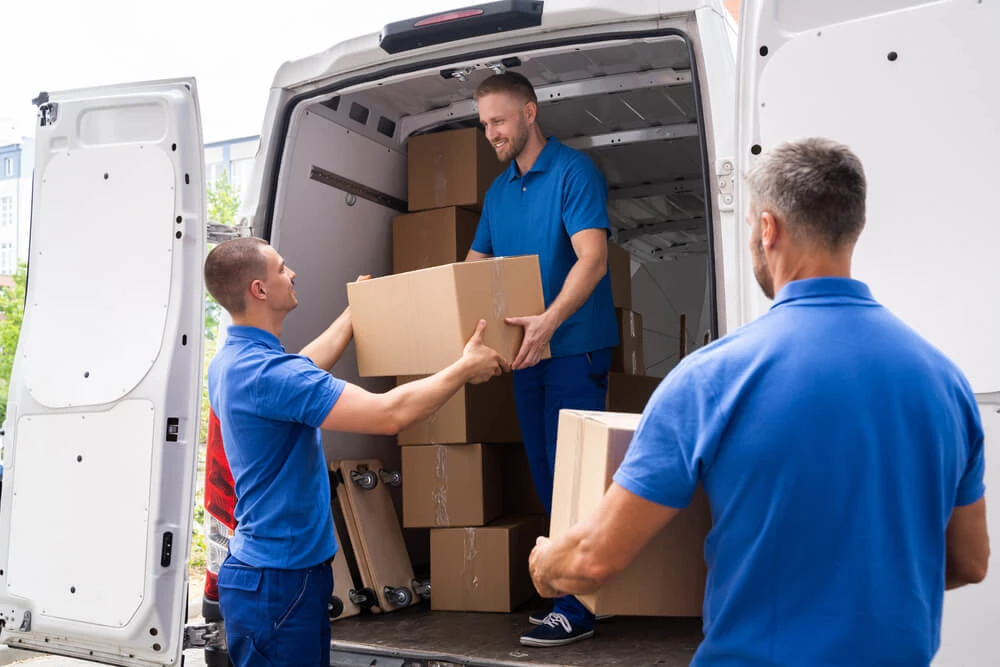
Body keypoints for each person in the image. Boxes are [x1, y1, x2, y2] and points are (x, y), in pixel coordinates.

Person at [527, 137, 990, 665]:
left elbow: (594, 559)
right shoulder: (945, 383)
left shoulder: (712, 379)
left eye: (750, 225)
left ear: (768, 229)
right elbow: (970, 562)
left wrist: (545, 565)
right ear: (852, 227)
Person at [204, 237, 509, 667]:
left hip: (273, 576)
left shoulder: (235, 361)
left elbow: (303, 369)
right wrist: (464, 368)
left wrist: (353, 313)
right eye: (282, 268)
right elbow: (389, 414)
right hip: (279, 582)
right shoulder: (269, 374)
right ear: (259, 289)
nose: (292, 274)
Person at [465, 70, 620, 647]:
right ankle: (575, 594)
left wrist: (548, 322)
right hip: (526, 355)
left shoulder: (575, 172)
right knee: (548, 476)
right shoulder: (499, 193)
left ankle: (576, 608)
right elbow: (473, 268)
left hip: (574, 347)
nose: (491, 133)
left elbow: (593, 259)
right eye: (484, 124)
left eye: (499, 121)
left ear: (530, 112)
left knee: (573, 476)